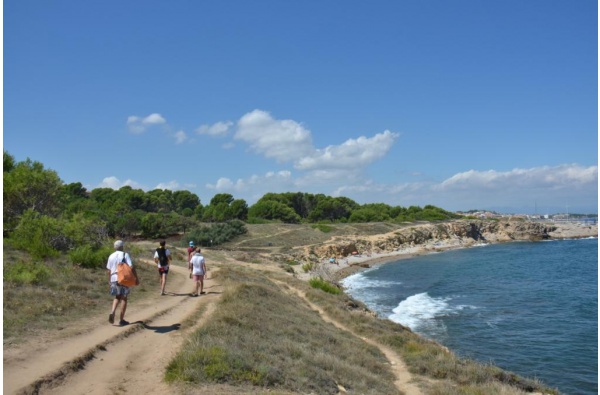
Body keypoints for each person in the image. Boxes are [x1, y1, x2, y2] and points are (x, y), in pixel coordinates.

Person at [106, 240, 133, 326]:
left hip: (113, 278)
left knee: (117, 296)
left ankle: (113, 312)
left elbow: (109, 270)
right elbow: (131, 266)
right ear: (122, 247)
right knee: (124, 297)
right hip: (123, 278)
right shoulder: (125, 255)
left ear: (115, 247)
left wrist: (109, 280)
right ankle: (121, 319)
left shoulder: (111, 256)